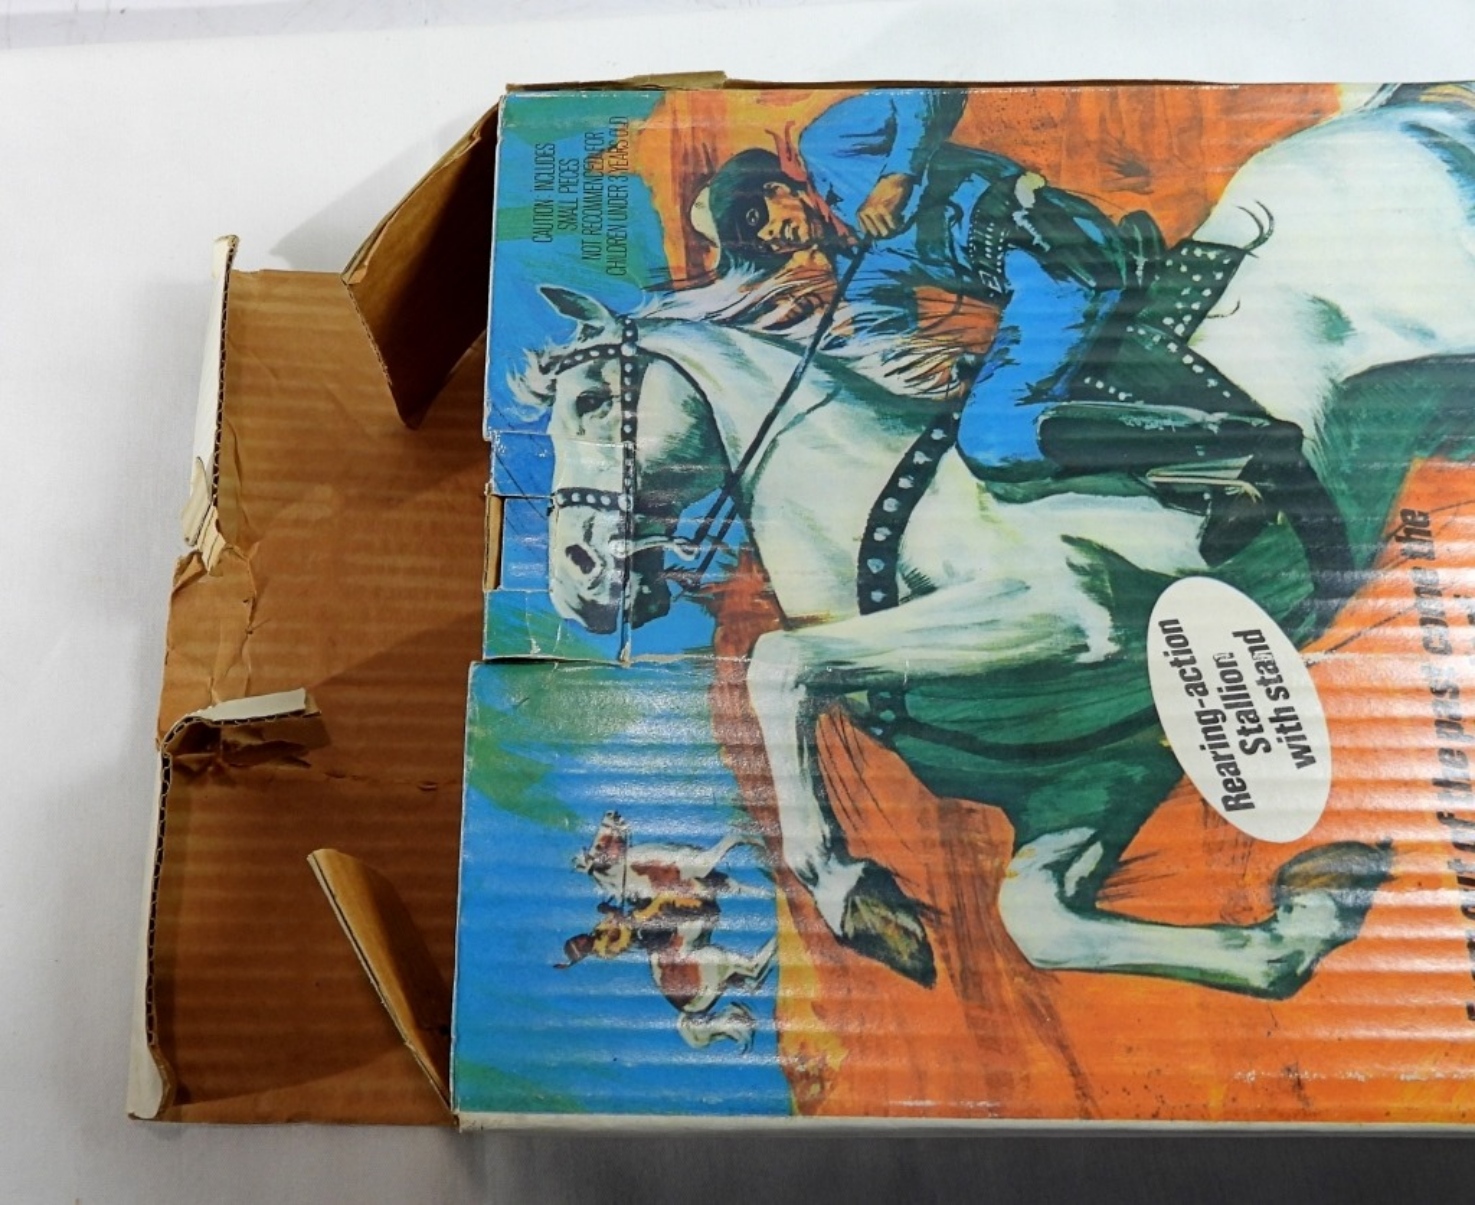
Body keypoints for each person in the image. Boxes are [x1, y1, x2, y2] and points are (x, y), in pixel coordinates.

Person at [702, 88, 1156, 480]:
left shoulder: (828, 145)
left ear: (775, 188)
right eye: (756, 244)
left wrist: (898, 175)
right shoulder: (856, 270)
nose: (769, 236)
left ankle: (1188, 443)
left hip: (1055, 252)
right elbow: (884, 344)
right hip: (1031, 288)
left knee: (991, 440)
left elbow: (932, 90)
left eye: (755, 218)